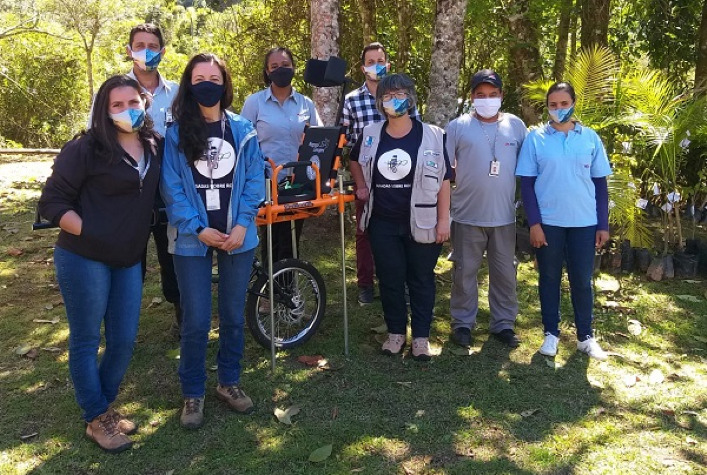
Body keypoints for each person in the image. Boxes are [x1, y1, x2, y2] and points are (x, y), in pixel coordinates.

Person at [39, 75, 161, 452]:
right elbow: (52, 202)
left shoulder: (154, 145)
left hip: (127, 260)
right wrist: (88, 230)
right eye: (117, 105)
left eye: (133, 102)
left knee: (123, 341)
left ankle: (102, 408)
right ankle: (96, 417)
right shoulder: (86, 148)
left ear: (144, 101)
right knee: (87, 339)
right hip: (83, 258)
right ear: (104, 112)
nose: (128, 110)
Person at [161, 53, 265, 429]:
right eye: (199, 77)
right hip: (193, 240)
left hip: (239, 236)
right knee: (196, 320)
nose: (207, 83)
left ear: (225, 83)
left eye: (214, 77)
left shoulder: (243, 130)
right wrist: (196, 227)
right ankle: (192, 392)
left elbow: (255, 180)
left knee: (234, 315)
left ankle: (228, 382)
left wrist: (241, 225)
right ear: (190, 84)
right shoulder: (176, 134)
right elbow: (171, 189)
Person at [349, 73, 451, 361]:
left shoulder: (432, 134)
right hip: (382, 220)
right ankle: (395, 333)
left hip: (423, 220)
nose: (395, 100)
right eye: (388, 96)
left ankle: (420, 337)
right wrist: (361, 185)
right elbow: (354, 159)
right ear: (380, 102)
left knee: (421, 279)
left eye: (400, 94)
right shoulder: (371, 133)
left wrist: (444, 220)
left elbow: (445, 179)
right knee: (391, 278)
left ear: (411, 97)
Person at [88, 23, 182, 332]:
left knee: (175, 255)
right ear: (129, 51)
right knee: (128, 257)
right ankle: (120, 328)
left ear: (163, 51)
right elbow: (96, 138)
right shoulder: (113, 91)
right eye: (139, 45)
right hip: (128, 189)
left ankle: (184, 319)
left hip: (170, 187)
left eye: (152, 45)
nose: (146, 51)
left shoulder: (179, 94)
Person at [516, 82, 611, 361]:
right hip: (549, 223)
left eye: (564, 103)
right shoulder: (536, 139)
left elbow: (601, 185)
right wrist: (534, 223)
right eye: (553, 105)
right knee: (549, 278)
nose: (559, 109)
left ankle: (585, 337)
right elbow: (527, 185)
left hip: (584, 222)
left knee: (582, 280)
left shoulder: (590, 138)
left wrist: (602, 224)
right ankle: (551, 334)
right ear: (547, 107)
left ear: (574, 103)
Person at [446, 69, 527, 349]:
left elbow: (527, 168)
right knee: (464, 272)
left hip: (503, 216)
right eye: (480, 95)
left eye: (492, 95)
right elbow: (446, 170)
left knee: (505, 272)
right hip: (466, 214)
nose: (487, 100)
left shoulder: (516, 126)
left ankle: (503, 323)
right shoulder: (458, 126)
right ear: (471, 97)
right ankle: (462, 324)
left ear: (501, 96)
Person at [341, 42, 419, 305]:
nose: (377, 65)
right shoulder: (352, 100)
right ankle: (365, 284)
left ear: (388, 63)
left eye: (381, 60)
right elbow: (348, 144)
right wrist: (359, 183)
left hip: (403, 174)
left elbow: (416, 132)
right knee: (365, 232)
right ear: (363, 67)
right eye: (371, 61)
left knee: (406, 229)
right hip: (368, 178)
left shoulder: (403, 95)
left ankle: (406, 284)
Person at [241, 47, 321, 267]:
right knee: (271, 238)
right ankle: (270, 290)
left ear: (293, 67)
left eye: (285, 65)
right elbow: (243, 142)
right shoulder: (254, 103)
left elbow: (319, 139)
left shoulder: (306, 104)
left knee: (292, 237)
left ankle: (289, 288)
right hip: (267, 182)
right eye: (274, 66)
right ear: (267, 72)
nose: (280, 70)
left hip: (299, 183)